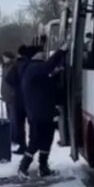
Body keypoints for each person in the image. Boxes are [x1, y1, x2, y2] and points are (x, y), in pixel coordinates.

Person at [17, 40, 68, 178]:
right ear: (35, 56)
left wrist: (56, 74)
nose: (44, 54)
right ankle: (23, 167)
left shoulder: (34, 69)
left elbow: (46, 84)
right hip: (38, 113)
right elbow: (48, 66)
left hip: (44, 112)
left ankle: (44, 167)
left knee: (47, 140)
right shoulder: (33, 68)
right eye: (41, 53)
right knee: (36, 141)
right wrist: (61, 51)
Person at [5, 45, 34, 155]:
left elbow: (8, 78)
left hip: (18, 98)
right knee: (32, 123)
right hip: (30, 98)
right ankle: (32, 145)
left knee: (19, 124)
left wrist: (17, 86)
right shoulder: (32, 64)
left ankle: (22, 145)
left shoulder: (17, 65)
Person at [0, 51, 17, 144]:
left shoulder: (13, 66)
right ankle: (11, 135)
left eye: (5, 57)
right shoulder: (5, 67)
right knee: (9, 117)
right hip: (6, 94)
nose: (4, 59)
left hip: (12, 95)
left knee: (14, 118)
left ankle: (15, 136)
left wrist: (13, 93)